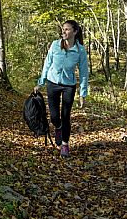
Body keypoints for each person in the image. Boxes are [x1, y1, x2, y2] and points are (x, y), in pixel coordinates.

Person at [35, 20, 89, 158]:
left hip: (68, 86)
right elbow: (47, 64)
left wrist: (83, 93)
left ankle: (65, 145)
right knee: (54, 117)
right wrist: (41, 83)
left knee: (66, 116)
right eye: (63, 29)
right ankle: (57, 127)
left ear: (75, 32)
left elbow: (83, 72)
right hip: (52, 83)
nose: (63, 31)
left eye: (67, 29)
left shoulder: (80, 50)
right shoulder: (55, 45)